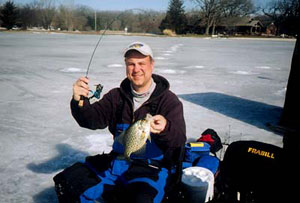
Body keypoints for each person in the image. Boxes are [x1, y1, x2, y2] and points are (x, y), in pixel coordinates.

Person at [69, 42, 186, 202]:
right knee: (69, 183)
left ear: (152, 65)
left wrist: (165, 128)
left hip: (150, 168)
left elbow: (179, 139)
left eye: (141, 63)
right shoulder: (115, 96)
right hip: (117, 162)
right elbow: (92, 120)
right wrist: (80, 102)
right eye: (131, 64)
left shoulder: (168, 101)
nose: (136, 69)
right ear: (126, 67)